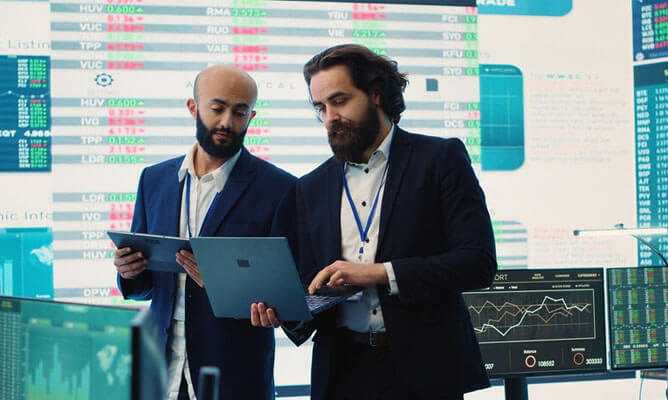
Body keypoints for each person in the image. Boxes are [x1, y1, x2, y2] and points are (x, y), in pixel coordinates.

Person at [251, 44, 497, 400]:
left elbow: (478, 262)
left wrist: (380, 273)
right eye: (321, 107)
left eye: (339, 100)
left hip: (426, 371)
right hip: (342, 372)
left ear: (376, 94)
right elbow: (305, 284)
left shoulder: (440, 159)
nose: (330, 117)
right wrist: (279, 308)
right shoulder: (309, 189)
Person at [114, 65, 295, 400]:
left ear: (251, 117)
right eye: (217, 108)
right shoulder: (153, 180)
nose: (227, 121)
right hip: (162, 375)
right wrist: (129, 272)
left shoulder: (281, 189)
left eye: (239, 112)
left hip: (235, 378)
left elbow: (290, 295)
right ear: (193, 108)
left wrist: (227, 282)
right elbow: (144, 288)